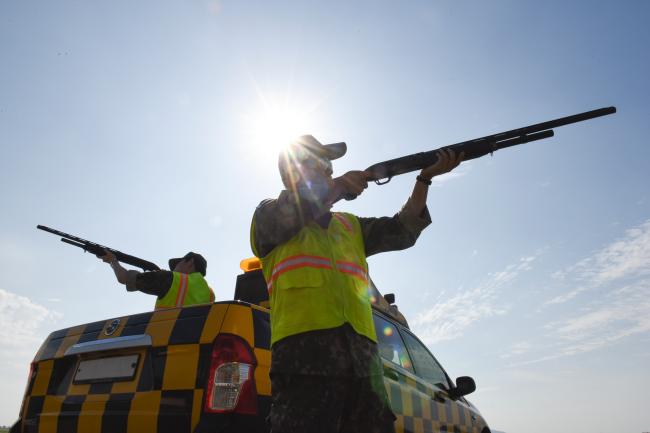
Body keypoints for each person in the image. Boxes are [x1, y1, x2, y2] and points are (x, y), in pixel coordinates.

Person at [250, 134, 463, 433]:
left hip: (365, 365)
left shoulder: (350, 225)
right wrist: (337, 189)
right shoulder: (267, 214)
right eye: (319, 162)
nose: (329, 169)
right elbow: (292, 214)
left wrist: (424, 179)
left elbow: (402, 230)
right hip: (305, 360)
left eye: (329, 164)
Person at [99, 250, 215, 309]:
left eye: (177, 264)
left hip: (163, 341)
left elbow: (123, 278)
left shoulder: (173, 279)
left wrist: (112, 261)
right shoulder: (210, 294)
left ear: (190, 262)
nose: (174, 269)